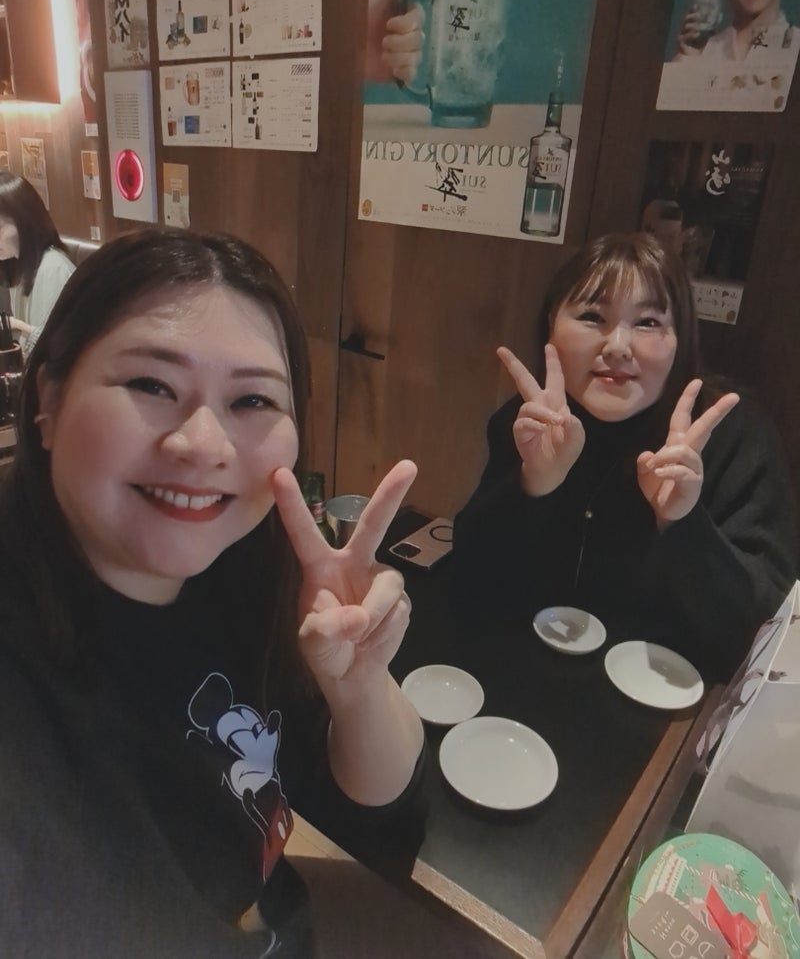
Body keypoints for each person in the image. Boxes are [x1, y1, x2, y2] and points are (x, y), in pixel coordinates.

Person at [0, 229, 425, 957]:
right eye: (151, 385)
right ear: (48, 399)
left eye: (252, 399)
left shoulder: (243, 576)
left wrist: (358, 689)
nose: (203, 444)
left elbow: (381, 817)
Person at [452, 233, 797, 683]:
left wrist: (681, 522)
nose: (617, 345)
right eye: (592, 316)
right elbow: (471, 580)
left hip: (673, 704)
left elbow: (766, 638)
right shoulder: (531, 424)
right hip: (529, 678)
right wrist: (533, 484)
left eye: (648, 322)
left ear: (681, 339)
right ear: (551, 326)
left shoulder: (734, 436)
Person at [0, 172, 76, 358]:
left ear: (24, 222)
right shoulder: (18, 267)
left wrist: (17, 325)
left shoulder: (53, 268)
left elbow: (57, 349)